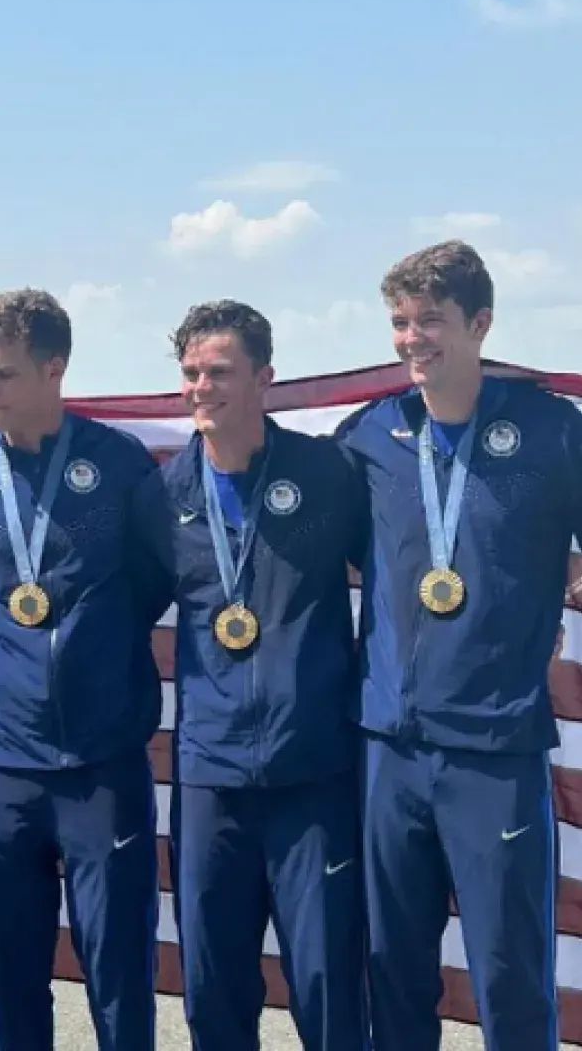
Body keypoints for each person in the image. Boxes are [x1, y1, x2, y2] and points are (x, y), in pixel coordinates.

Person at [334, 240, 582, 1050]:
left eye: (431, 321)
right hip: (389, 749)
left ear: (480, 324)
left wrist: (575, 595)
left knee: (510, 978)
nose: (412, 339)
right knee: (394, 970)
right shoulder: (369, 435)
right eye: (400, 322)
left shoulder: (552, 433)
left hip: (495, 751)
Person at [0, 289, 167, 1051]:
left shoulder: (120, 464)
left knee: (119, 976)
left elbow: (153, 580)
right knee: (9, 976)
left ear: (54, 369)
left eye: (2, 373)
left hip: (101, 763)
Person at [131, 300, 369, 1050]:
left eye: (220, 371)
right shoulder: (162, 496)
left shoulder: (326, 474)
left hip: (314, 773)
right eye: (191, 372)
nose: (201, 387)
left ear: (265, 378)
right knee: (215, 988)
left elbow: (400, 569)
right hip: (212, 779)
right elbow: (122, 613)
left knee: (328, 986)